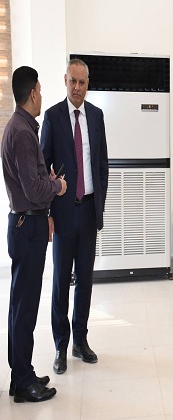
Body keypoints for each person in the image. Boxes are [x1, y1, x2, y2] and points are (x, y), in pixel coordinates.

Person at [2, 66, 67, 402]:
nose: (42, 95)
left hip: (25, 224)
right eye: (40, 90)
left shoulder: (18, 127)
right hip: (28, 228)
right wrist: (58, 186)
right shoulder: (24, 133)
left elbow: (29, 183)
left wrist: (46, 184)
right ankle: (24, 383)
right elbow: (34, 188)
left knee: (20, 305)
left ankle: (21, 374)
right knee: (25, 307)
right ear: (31, 93)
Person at [40, 59, 109, 375]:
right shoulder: (53, 117)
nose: (77, 87)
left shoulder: (96, 116)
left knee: (85, 280)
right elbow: (42, 169)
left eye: (82, 82)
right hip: (63, 213)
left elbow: (102, 165)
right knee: (60, 283)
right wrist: (47, 212)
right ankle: (60, 345)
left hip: (89, 211)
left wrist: (99, 205)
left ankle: (80, 341)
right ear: (65, 81)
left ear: (87, 83)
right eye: (73, 81)